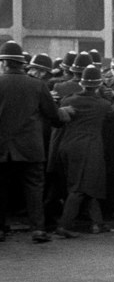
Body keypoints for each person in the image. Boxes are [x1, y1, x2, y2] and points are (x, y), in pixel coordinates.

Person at [0, 41, 71, 243]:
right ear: (21, 64)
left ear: (4, 63)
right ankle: (38, 229)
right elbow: (53, 115)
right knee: (34, 188)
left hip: (2, 146)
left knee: (1, 188)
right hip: (30, 147)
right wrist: (65, 113)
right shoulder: (37, 85)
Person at [52, 65, 113, 236]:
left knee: (87, 185)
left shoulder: (68, 101)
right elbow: (113, 114)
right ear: (99, 84)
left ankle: (97, 223)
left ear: (82, 83)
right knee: (79, 188)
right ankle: (64, 226)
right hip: (89, 148)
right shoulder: (103, 104)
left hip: (67, 146)